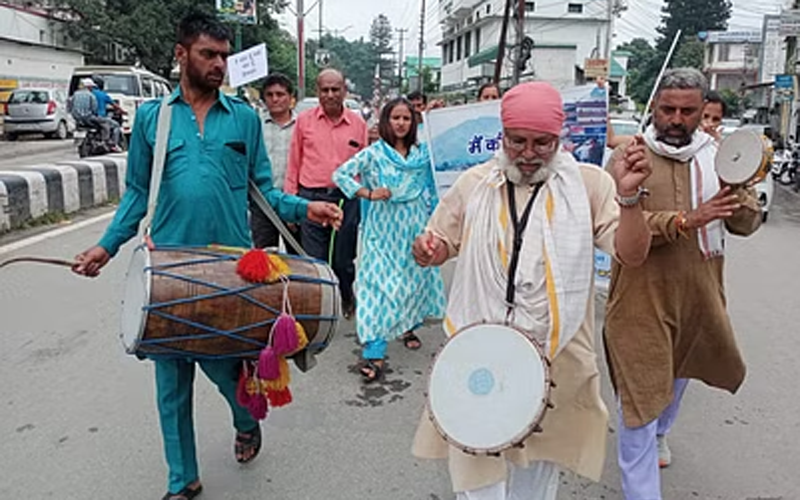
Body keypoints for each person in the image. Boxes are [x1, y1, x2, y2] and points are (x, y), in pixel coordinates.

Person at [71, 12, 342, 500]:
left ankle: (245, 420)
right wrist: (106, 246)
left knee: (225, 371)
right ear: (181, 55)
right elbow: (136, 194)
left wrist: (309, 207)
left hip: (233, 268)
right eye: (208, 55)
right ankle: (183, 480)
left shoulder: (242, 117)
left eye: (224, 56)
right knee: (171, 383)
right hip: (169, 270)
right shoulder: (155, 118)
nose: (219, 64)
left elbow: (262, 191)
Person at [411, 81, 654, 500]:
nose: (528, 153)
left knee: (536, 482)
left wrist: (630, 198)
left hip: (555, 356)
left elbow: (631, 254)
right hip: (479, 354)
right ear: (502, 135)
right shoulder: (475, 184)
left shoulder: (589, 185)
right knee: (478, 475)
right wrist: (427, 250)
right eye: (518, 141)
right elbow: (439, 244)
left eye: (542, 142)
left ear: (559, 139)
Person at [604, 68, 761, 500]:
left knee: (676, 381)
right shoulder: (628, 159)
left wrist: (739, 192)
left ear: (701, 113)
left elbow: (746, 224)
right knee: (638, 403)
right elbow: (614, 225)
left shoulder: (719, 158)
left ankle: (662, 430)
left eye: (687, 111)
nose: (676, 119)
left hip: (700, 295)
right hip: (639, 299)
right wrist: (685, 219)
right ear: (653, 108)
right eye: (667, 109)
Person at [332, 97, 446, 382]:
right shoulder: (374, 154)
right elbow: (341, 174)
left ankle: (407, 327)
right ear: (386, 121)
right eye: (395, 117)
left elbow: (435, 186)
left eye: (406, 118)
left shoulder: (422, 155)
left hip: (414, 225)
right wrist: (368, 194)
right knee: (376, 285)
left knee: (410, 281)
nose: (401, 123)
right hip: (381, 230)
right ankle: (374, 350)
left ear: (413, 123)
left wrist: (435, 225)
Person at [284, 68, 368, 319]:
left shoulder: (358, 124)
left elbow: (366, 167)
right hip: (311, 198)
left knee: (343, 260)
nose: (330, 94)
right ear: (317, 91)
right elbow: (294, 161)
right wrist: (291, 202)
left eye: (335, 89)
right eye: (325, 90)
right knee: (314, 260)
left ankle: (345, 294)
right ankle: (319, 310)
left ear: (344, 90)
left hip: (346, 200)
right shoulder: (304, 121)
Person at [250, 72, 300, 249]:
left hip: (293, 200)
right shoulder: (255, 125)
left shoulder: (302, 126)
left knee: (299, 257)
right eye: (270, 95)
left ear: (290, 98)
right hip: (263, 202)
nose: (275, 99)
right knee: (264, 256)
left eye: (280, 94)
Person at [89, 75, 125, 151]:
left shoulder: (88, 93)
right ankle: (113, 145)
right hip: (100, 117)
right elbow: (115, 105)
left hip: (87, 118)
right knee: (116, 125)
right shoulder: (103, 95)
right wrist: (122, 111)